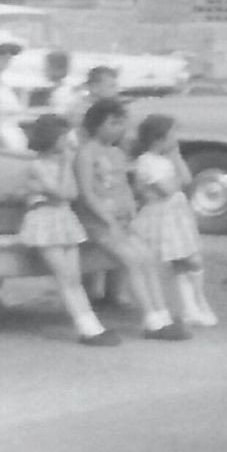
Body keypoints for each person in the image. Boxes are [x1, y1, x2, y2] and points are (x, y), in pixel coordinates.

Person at [68, 98, 186, 341]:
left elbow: (123, 186)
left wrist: (131, 208)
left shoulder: (116, 153)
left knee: (148, 258)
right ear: (96, 125)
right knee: (132, 260)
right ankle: (151, 319)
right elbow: (86, 193)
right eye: (113, 123)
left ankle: (162, 314)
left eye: (121, 123)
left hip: (123, 221)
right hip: (98, 223)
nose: (119, 129)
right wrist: (107, 218)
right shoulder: (86, 154)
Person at [15, 113, 118, 345]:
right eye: (63, 137)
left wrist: (65, 168)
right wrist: (65, 166)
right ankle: (85, 326)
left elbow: (71, 193)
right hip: (44, 219)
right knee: (64, 276)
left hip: (63, 217)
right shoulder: (37, 165)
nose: (67, 141)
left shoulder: (62, 164)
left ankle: (92, 324)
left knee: (74, 276)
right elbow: (59, 192)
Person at [129, 113, 215, 326]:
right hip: (161, 216)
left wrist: (176, 158)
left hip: (176, 215)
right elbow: (167, 189)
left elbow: (186, 179)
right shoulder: (147, 162)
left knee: (187, 260)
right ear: (158, 139)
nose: (176, 139)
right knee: (185, 260)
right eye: (172, 135)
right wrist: (176, 179)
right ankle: (191, 306)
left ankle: (194, 305)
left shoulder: (168, 159)